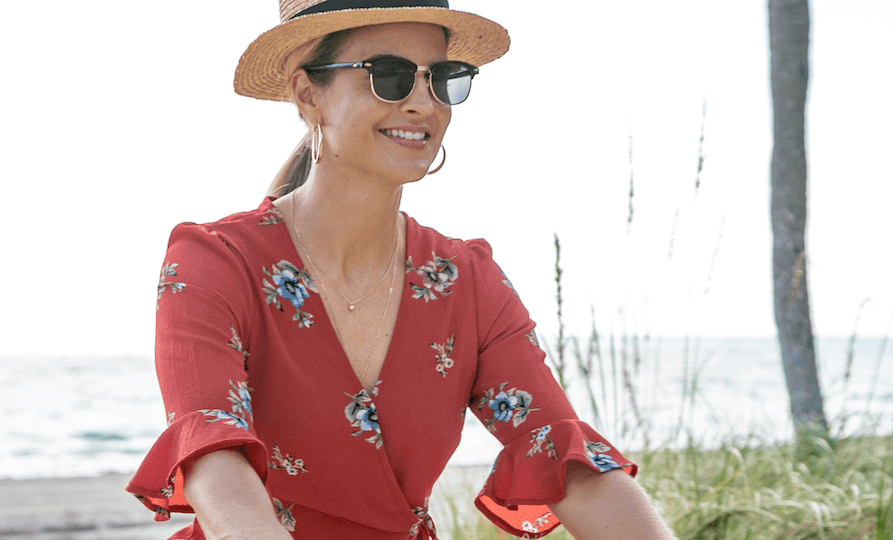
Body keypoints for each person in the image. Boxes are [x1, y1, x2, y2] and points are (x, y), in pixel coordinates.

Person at [125, 2, 675, 539]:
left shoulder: (467, 280)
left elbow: (562, 456)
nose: (423, 102)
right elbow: (212, 460)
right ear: (307, 93)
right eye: (387, 75)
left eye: (443, 78)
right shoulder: (214, 261)